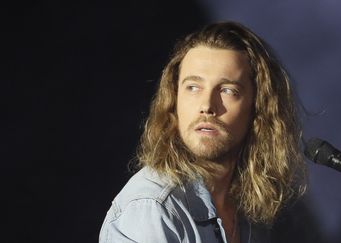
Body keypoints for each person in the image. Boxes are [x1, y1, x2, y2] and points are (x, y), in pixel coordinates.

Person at [99, 21, 306, 243]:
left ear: (258, 108)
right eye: (193, 87)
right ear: (174, 100)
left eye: (228, 90)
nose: (207, 105)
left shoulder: (247, 210)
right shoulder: (153, 208)